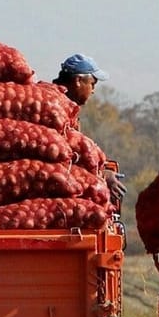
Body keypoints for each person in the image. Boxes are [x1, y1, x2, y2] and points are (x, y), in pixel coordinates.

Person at [53, 53, 126, 204]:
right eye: (92, 84)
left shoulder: (68, 110)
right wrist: (101, 175)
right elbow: (63, 159)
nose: (93, 90)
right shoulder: (56, 108)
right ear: (78, 81)